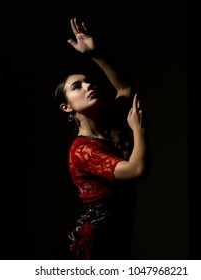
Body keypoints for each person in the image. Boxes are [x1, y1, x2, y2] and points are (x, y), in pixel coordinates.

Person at [53, 17, 149, 260]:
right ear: (66, 107)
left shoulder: (107, 124)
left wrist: (95, 53)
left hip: (117, 243)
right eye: (77, 86)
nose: (87, 86)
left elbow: (126, 89)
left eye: (89, 82)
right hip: (96, 248)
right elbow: (137, 170)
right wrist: (139, 130)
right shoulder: (82, 150)